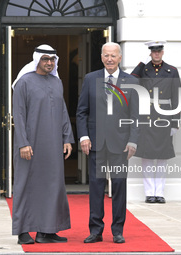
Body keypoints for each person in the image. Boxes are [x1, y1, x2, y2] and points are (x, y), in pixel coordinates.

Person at [76, 42, 139, 244]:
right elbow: (82, 111)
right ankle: (96, 230)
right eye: (106, 55)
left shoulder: (131, 81)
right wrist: (84, 136)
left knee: (119, 186)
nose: (109, 59)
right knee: (96, 187)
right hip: (96, 144)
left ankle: (118, 230)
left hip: (120, 145)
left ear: (120, 57)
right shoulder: (90, 79)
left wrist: (133, 141)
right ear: (101, 57)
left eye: (113, 55)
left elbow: (136, 115)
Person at [12, 44, 74, 244]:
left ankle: (46, 231)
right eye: (45, 59)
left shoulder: (57, 83)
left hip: (53, 144)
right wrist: (22, 143)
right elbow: (18, 115)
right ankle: (23, 232)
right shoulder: (24, 82)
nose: (49, 63)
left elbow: (63, 111)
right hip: (29, 145)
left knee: (53, 185)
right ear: (37, 60)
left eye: (52, 59)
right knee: (26, 186)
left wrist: (67, 138)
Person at [131, 41, 181, 204]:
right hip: (146, 116)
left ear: (163, 52)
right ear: (150, 53)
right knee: (146, 157)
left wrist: (175, 122)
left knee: (161, 157)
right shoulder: (143, 69)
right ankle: (149, 193)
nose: (156, 54)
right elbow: (131, 81)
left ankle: (159, 192)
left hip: (164, 117)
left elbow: (176, 97)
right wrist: (140, 63)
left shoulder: (171, 71)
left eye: (159, 51)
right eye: (153, 52)